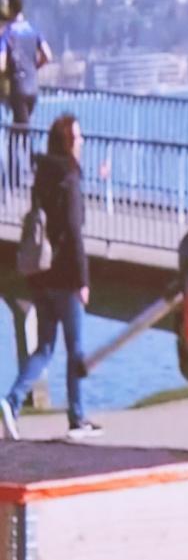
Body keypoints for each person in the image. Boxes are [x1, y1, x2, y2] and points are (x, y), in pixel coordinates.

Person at [1, 114, 99, 440]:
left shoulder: (43, 175)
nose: (82, 142)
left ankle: (12, 401)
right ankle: (77, 417)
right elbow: (73, 232)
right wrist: (83, 280)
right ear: (68, 141)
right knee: (76, 350)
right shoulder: (69, 179)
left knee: (43, 348)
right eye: (78, 136)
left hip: (42, 276)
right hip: (66, 277)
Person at [1, 0, 52, 190]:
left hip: (17, 87)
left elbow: (2, 64)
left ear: (10, 7)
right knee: (19, 129)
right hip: (33, 87)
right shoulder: (33, 29)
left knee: (22, 130)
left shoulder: (8, 33)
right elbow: (47, 54)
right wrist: (34, 67)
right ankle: (14, 177)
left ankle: (35, 167)